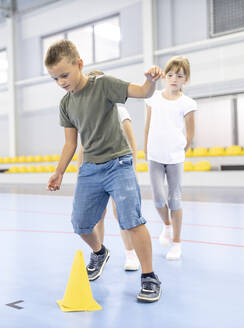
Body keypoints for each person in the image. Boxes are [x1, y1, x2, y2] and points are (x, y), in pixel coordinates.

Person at [45, 40, 162, 303]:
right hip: (89, 169)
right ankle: (99, 252)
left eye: (64, 75)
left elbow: (143, 91)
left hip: (118, 164)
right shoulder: (66, 104)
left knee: (131, 220)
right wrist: (59, 172)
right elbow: (70, 143)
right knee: (80, 224)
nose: (61, 82)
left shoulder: (104, 85)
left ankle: (149, 276)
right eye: (55, 78)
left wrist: (151, 80)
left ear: (79, 65)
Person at [76, 70, 140, 271]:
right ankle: (98, 254)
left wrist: (132, 170)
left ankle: (130, 254)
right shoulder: (86, 112)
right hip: (94, 169)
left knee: (121, 212)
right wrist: (80, 172)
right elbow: (83, 146)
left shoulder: (119, 110)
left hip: (117, 168)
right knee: (97, 215)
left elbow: (131, 143)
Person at [144, 56, 196, 260]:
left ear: (186, 79)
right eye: (171, 75)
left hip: (175, 157)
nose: (175, 79)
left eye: (180, 76)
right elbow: (147, 126)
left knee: (175, 200)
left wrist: (181, 151)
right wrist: (147, 150)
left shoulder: (188, 103)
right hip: (155, 156)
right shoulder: (153, 98)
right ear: (165, 76)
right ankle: (166, 225)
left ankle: (177, 242)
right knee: (158, 198)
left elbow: (190, 133)